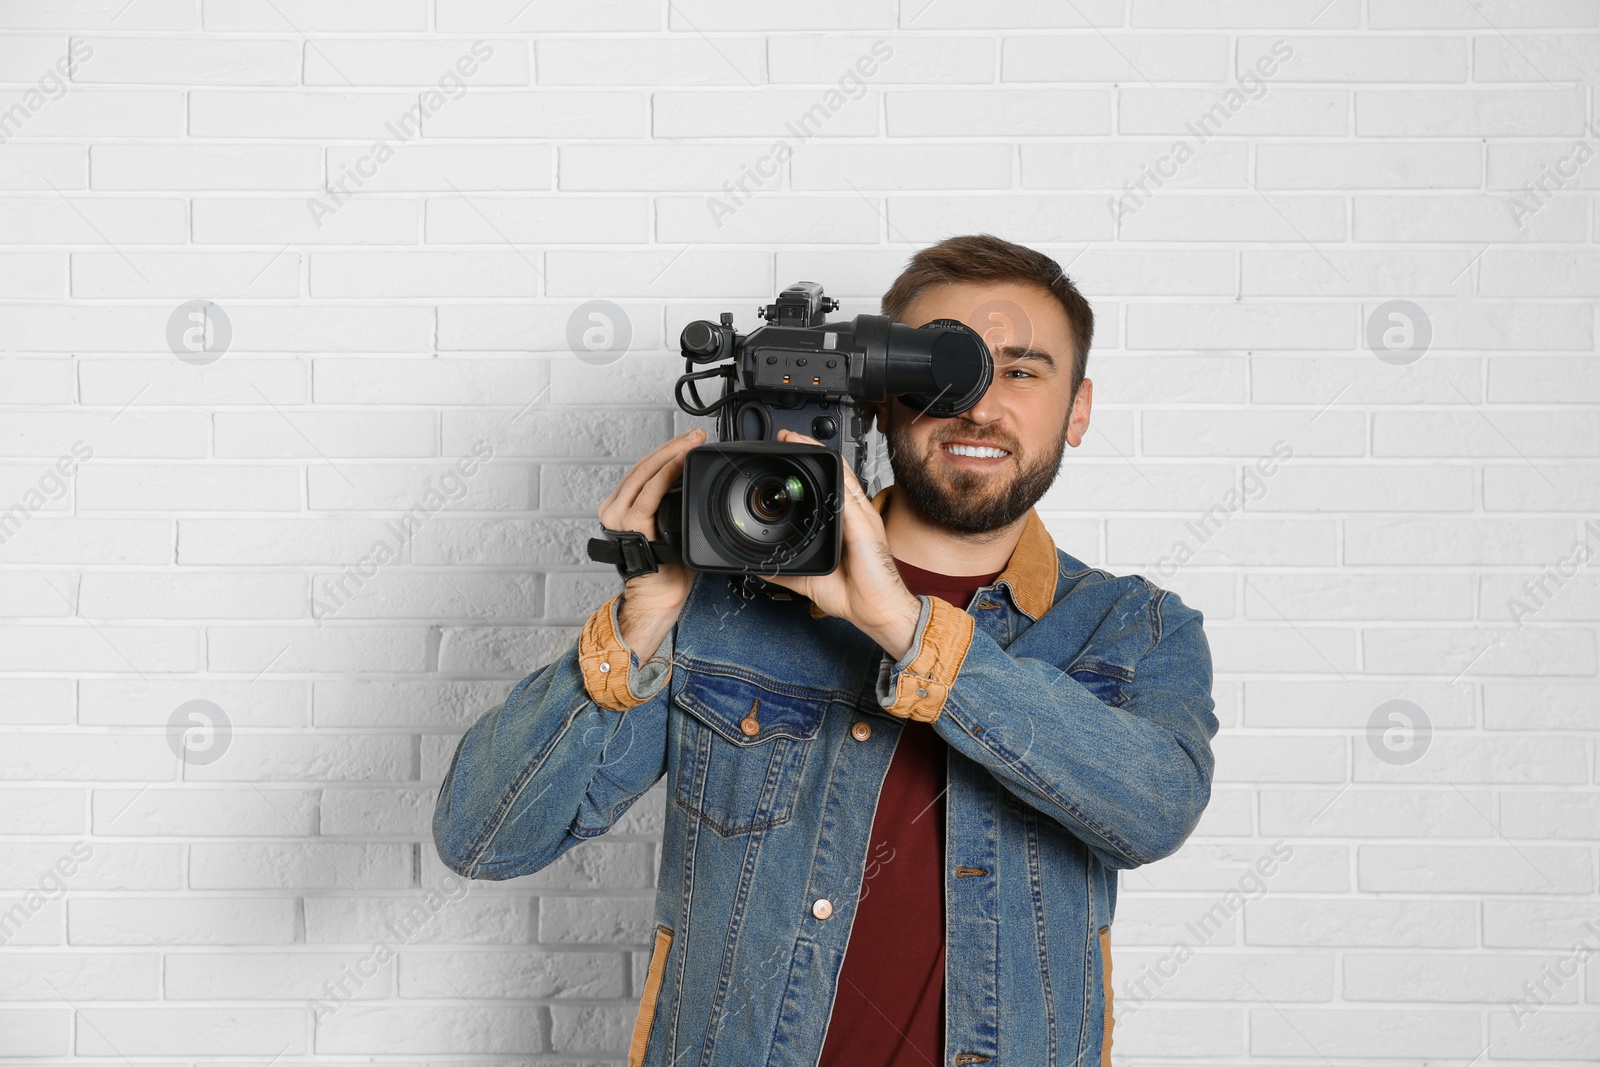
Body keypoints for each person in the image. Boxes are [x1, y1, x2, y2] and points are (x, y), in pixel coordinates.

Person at [432, 234, 1217, 1067]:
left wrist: (905, 631)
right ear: (878, 398)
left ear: (1079, 408)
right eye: (940, 372)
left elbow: (1154, 810)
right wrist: (636, 625)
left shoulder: (1135, 627)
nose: (978, 407)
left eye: (1021, 372)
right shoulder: (718, 610)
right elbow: (484, 838)